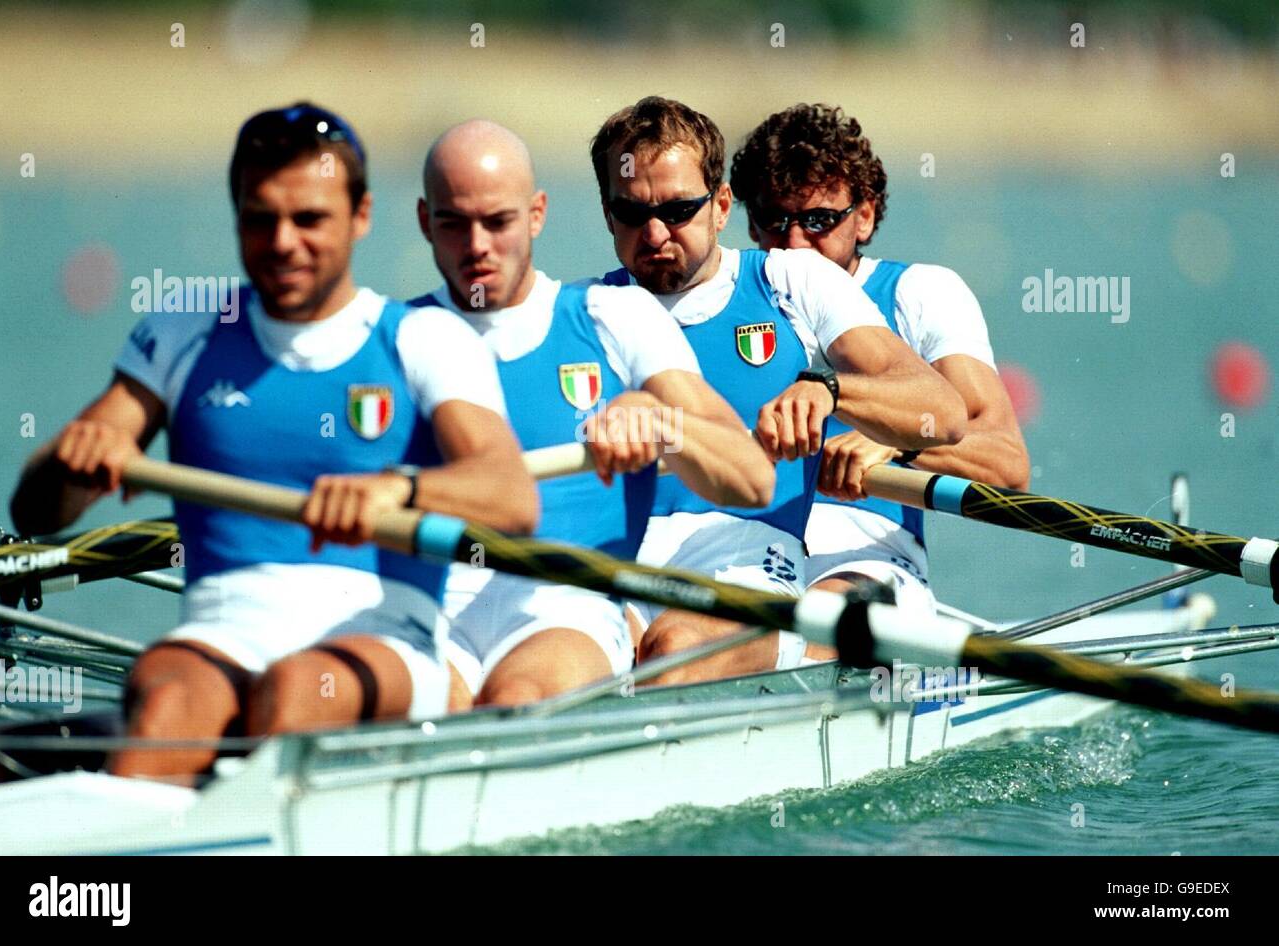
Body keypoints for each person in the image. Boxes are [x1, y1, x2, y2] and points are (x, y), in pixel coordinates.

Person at [9, 103, 537, 779]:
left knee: (295, 692)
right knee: (167, 704)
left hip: (384, 637)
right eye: (261, 218)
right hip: (221, 632)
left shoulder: (421, 340)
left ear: (362, 216)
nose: (283, 241)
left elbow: (510, 495)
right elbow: (36, 513)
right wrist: (73, 463)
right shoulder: (185, 330)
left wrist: (396, 489)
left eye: (309, 219)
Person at [589, 97, 968, 685]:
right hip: (616, 555)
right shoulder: (585, 310)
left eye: (679, 209)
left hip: (740, 554)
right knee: (557, 674)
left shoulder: (791, 279)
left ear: (720, 207)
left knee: (672, 652)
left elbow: (941, 412)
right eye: (633, 213)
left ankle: (808, 644)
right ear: (608, 214)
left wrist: (829, 391)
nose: (656, 233)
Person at [412, 119, 773, 707]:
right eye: (455, 223)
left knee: (516, 698)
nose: (477, 246)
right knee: (418, 700)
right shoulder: (397, 333)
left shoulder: (614, 315)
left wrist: (663, 425)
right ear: (427, 222)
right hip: (431, 604)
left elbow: (752, 478)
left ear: (536, 215)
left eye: (498, 222)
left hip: (564, 605)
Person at [730, 103, 1029, 625]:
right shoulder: (723, 299)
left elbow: (1006, 462)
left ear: (863, 215)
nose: (796, 243)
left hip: (862, 557)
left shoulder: (921, 293)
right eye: (776, 220)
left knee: (813, 618)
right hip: (737, 548)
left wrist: (899, 445)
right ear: (750, 221)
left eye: (819, 220)